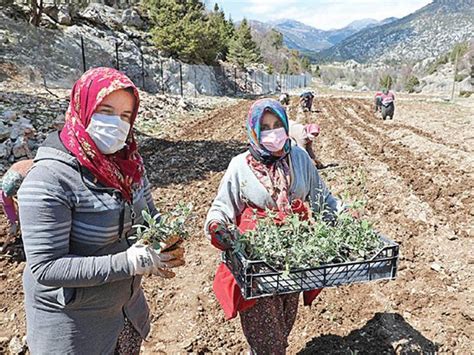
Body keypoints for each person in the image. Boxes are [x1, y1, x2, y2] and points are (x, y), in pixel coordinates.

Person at [18, 67, 185, 354]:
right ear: (83, 109)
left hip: (125, 317)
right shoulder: (49, 179)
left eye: (124, 116)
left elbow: (149, 216)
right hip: (75, 332)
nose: (116, 124)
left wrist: (165, 241)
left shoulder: (129, 165)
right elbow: (46, 267)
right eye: (105, 110)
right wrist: (131, 263)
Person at [204, 98, 341, 354]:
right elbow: (221, 208)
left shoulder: (299, 157)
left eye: (277, 124)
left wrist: (343, 219)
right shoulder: (240, 166)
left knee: (285, 322)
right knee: (268, 341)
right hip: (257, 261)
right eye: (265, 126)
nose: (272, 132)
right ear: (254, 130)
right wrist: (217, 226)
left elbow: (323, 199)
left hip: (295, 257)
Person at [0, 159, 33, 251]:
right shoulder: (4, 188)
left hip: (34, 173)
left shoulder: (7, 189)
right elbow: (8, 205)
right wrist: (13, 222)